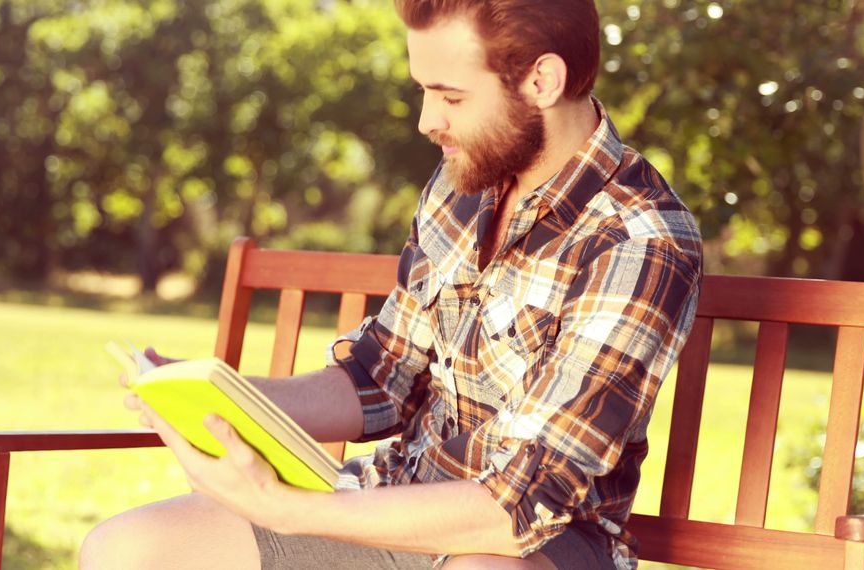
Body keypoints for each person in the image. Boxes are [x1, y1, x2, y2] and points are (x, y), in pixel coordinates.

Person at [80, 1, 702, 568]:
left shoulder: (640, 242)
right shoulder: (465, 179)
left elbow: (521, 506)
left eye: (451, 97)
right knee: (123, 550)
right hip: (393, 503)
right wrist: (226, 402)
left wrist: (286, 508)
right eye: (423, 91)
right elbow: (383, 374)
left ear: (542, 80)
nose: (428, 120)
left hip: (541, 546)